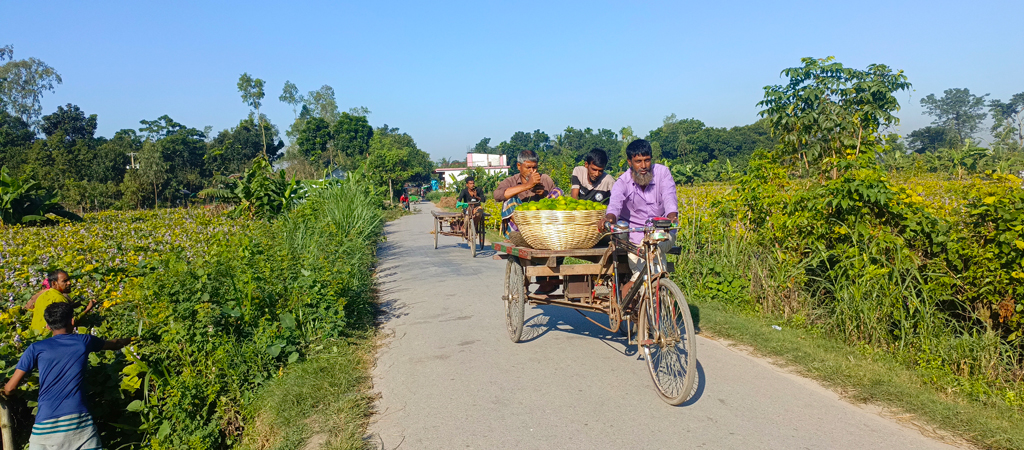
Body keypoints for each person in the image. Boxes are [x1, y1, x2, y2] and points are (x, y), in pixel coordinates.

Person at [4, 302, 130, 449]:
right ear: (72, 321)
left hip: (45, 425)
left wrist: (5, 392)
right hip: (79, 421)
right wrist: (132, 339)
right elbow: (114, 344)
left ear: (47, 326)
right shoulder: (84, 342)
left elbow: (11, 388)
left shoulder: (35, 349)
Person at [602, 139, 679, 295]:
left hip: (662, 231)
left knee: (656, 264)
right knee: (642, 275)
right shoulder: (622, 182)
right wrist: (608, 219)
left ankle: (657, 299)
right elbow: (615, 204)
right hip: (635, 236)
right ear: (630, 162)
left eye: (647, 160)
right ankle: (631, 304)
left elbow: (669, 196)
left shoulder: (662, 173)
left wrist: (672, 216)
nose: (643, 166)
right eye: (638, 161)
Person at [494, 150, 562, 294]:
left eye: (535, 167)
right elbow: (498, 195)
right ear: (519, 166)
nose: (532, 171)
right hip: (519, 230)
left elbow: (554, 200)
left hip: (543, 227)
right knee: (510, 200)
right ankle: (527, 234)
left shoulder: (545, 179)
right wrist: (528, 186)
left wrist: (543, 194)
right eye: (528, 167)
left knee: (558, 192)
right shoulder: (511, 181)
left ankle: (547, 281)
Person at [28, 270, 96, 334]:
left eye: (69, 280)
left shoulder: (42, 296)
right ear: (54, 283)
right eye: (65, 281)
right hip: (48, 336)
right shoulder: (60, 298)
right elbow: (70, 323)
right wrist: (87, 309)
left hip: (35, 334)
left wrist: (77, 304)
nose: (69, 283)